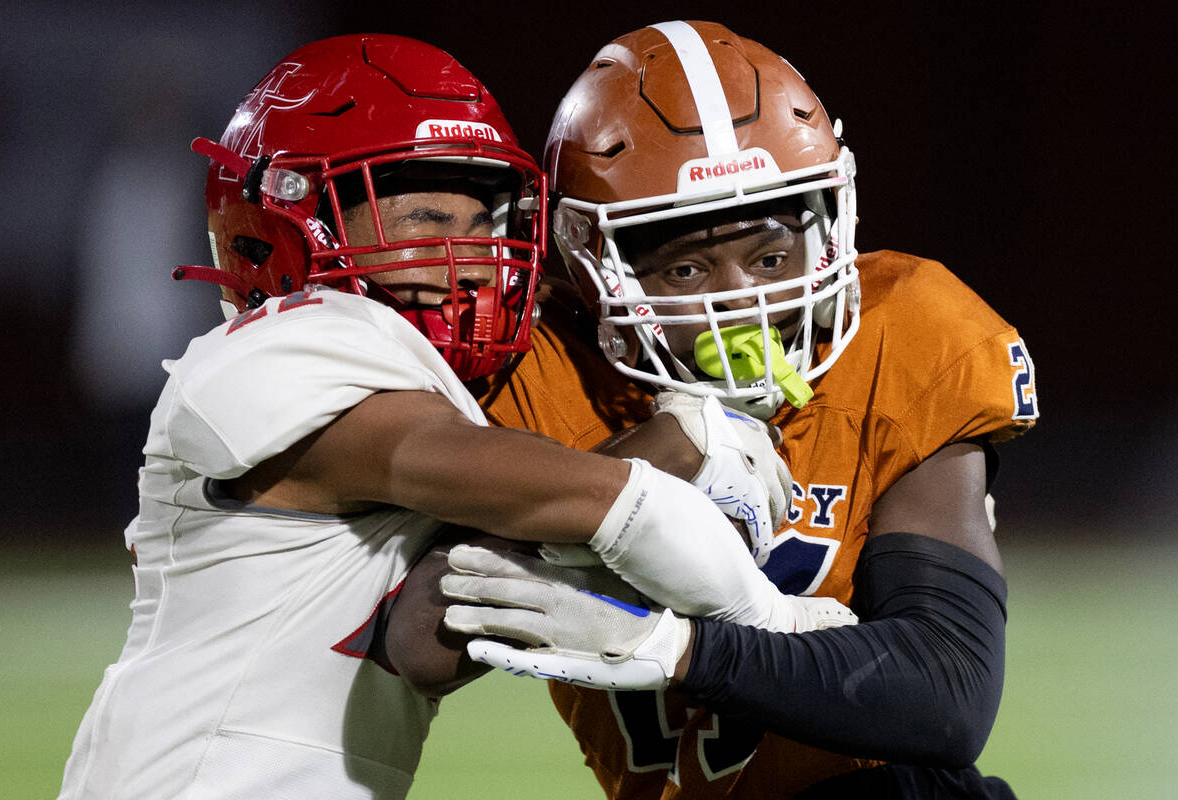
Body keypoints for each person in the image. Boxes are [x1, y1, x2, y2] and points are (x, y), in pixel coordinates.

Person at [55, 33, 851, 800]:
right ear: (292, 216)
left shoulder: (406, 379)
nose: (468, 255)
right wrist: (760, 609)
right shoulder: (285, 347)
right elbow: (596, 502)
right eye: (427, 221)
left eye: (483, 221)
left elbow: (432, 636)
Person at [436, 20, 1039, 799]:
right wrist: (662, 455)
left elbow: (945, 700)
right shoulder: (532, 370)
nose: (742, 302)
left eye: (770, 257)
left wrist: (675, 646)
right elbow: (418, 625)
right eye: (687, 266)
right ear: (593, 264)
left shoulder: (905, 330)